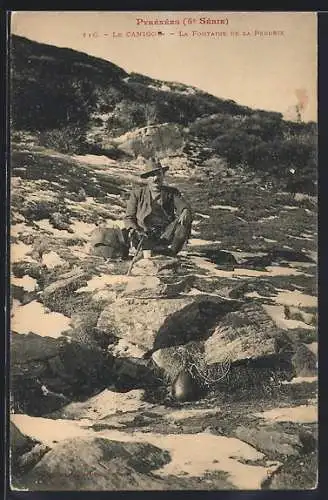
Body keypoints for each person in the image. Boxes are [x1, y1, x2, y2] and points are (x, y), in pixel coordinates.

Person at [124, 158, 193, 256]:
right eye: (152, 175)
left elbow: (182, 204)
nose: (156, 178)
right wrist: (134, 230)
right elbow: (128, 218)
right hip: (144, 234)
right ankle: (145, 251)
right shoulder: (137, 194)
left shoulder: (171, 192)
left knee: (184, 221)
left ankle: (171, 253)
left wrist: (185, 210)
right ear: (147, 178)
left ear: (163, 175)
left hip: (165, 233)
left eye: (158, 174)